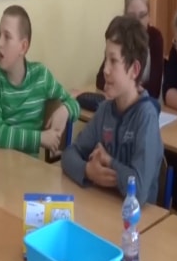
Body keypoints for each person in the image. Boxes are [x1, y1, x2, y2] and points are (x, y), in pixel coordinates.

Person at [62, 15, 163, 205]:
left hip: (135, 219)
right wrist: (88, 171)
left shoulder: (146, 117)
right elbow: (69, 154)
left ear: (134, 70)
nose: (105, 69)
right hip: (104, 207)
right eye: (105, 59)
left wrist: (109, 162)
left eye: (113, 61)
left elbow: (139, 190)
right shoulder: (105, 110)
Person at [0, 5, 79, 156]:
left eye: (7, 36)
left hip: (29, 167)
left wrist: (65, 110)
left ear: (23, 47)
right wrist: (40, 138)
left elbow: (74, 104)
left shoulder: (41, 76)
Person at [96, 0, 164, 98]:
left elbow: (154, 90)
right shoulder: (119, 39)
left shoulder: (156, 38)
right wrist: (130, 86)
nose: (137, 22)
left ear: (149, 15)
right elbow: (101, 80)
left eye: (142, 15)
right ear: (125, 16)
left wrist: (125, 86)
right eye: (132, 17)